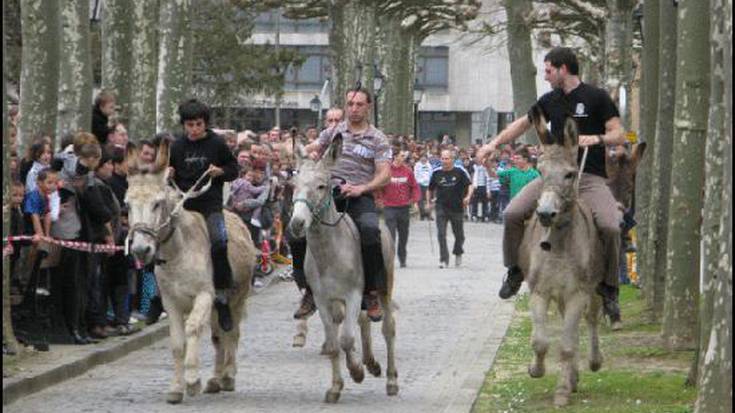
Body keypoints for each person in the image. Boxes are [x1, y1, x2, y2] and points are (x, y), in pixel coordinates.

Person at [476, 46, 625, 323]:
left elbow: (619, 133)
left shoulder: (597, 97)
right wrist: (493, 144)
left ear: (563, 69)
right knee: (512, 214)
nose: (545, 76)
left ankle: (609, 288)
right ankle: (515, 271)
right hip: (553, 180)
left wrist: (597, 139)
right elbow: (522, 125)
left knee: (610, 226)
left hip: (588, 178)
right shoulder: (549, 100)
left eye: (548, 71)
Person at [291, 88, 391, 322]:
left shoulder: (377, 139)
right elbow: (309, 150)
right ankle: (308, 291)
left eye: (359, 104)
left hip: (359, 196)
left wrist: (362, 188)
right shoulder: (333, 131)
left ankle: (372, 292)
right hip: (326, 194)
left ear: (368, 107)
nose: (354, 109)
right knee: (295, 231)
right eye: (350, 104)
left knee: (370, 231)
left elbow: (385, 174)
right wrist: (295, 150)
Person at [168, 99, 239, 332]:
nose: (194, 130)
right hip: (183, 204)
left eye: (198, 124)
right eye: (189, 125)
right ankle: (154, 297)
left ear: (205, 124)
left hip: (209, 204)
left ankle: (222, 295)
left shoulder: (217, 144)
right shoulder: (177, 147)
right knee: (158, 242)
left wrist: (220, 171)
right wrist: (168, 172)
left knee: (219, 241)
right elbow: (169, 173)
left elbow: (233, 170)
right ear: (184, 125)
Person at [428, 149, 473, 268]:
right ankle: (444, 259)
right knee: (441, 234)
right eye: (442, 158)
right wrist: (428, 202)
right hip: (441, 207)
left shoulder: (460, 171)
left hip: (457, 207)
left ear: (452, 159)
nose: (444, 161)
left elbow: (470, 185)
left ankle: (458, 252)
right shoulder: (436, 172)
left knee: (459, 235)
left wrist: (468, 197)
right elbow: (430, 189)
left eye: (447, 158)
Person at [377, 147, 421, 268]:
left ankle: (402, 258)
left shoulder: (408, 171)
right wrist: (380, 199)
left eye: (404, 156)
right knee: (390, 235)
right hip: (390, 208)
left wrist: (415, 201)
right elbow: (379, 186)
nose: (404, 158)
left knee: (404, 235)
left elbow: (415, 187)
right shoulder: (387, 171)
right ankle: (389, 259)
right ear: (395, 156)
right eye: (401, 156)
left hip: (404, 208)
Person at [413, 153, 433, 220]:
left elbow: (431, 174)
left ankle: (429, 214)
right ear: (420, 158)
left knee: (429, 200)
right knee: (420, 200)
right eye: (422, 157)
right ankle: (422, 214)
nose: (423, 158)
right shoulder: (417, 165)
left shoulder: (429, 165)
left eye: (425, 157)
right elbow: (415, 174)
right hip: (419, 184)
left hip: (427, 184)